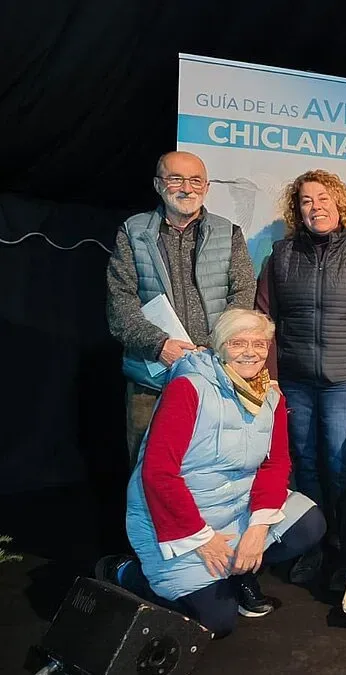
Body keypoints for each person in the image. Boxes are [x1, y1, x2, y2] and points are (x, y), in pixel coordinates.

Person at [96, 309, 325, 639]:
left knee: (309, 523)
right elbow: (158, 474)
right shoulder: (187, 388)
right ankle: (127, 573)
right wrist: (202, 538)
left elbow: (275, 465)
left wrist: (257, 530)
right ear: (219, 345)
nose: (251, 351)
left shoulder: (271, 396)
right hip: (174, 517)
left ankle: (239, 572)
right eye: (238, 342)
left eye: (260, 344)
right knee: (218, 623)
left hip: (236, 508)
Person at [255, 169, 346, 584]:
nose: (315, 207)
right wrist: (273, 379)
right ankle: (312, 547)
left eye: (323, 198)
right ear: (296, 210)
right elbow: (265, 320)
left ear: (339, 204)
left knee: (341, 465)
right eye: (306, 201)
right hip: (295, 379)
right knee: (306, 465)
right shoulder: (279, 255)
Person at [106, 151, 255, 465]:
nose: (186, 188)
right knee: (147, 471)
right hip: (153, 378)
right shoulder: (133, 232)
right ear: (159, 185)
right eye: (176, 179)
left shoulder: (228, 232)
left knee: (207, 470)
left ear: (206, 187)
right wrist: (160, 346)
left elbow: (242, 295)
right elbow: (120, 303)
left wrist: (217, 349)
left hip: (215, 374)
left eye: (195, 180)